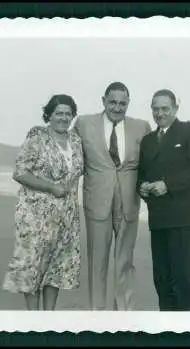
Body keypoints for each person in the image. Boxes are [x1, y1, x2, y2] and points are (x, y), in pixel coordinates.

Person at [73, 82, 151, 310]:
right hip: (97, 202)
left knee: (125, 261)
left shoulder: (141, 127)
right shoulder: (84, 124)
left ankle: (123, 315)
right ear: (103, 100)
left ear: (128, 103)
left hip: (128, 204)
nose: (117, 107)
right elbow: (70, 156)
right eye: (113, 102)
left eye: (122, 103)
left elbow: (152, 162)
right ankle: (97, 314)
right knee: (97, 262)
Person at [2, 94, 84, 310]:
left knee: (56, 268)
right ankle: (34, 320)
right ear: (49, 114)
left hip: (66, 215)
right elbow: (19, 172)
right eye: (59, 113)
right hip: (36, 216)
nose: (63, 118)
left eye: (68, 114)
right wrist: (50, 187)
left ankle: (49, 317)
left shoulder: (75, 140)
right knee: (33, 266)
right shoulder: (37, 136)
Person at [137, 89, 190, 311]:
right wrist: (141, 186)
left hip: (186, 217)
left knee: (189, 279)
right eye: (155, 109)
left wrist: (167, 184)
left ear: (175, 109)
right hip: (159, 218)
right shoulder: (148, 140)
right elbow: (141, 173)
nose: (159, 113)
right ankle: (168, 330)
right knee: (163, 279)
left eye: (165, 108)